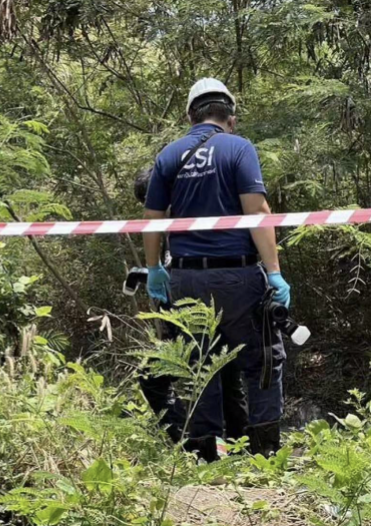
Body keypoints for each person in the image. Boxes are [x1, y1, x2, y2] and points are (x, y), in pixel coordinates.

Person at [142, 78, 291, 460]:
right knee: (261, 359)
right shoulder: (239, 149)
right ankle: (264, 453)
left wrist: (155, 268)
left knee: (200, 362)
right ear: (231, 117)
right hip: (237, 276)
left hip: (186, 278)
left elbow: (152, 218)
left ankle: (206, 456)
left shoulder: (168, 155)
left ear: (191, 115)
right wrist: (273, 272)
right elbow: (257, 212)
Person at [134, 168, 249, 461]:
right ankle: (233, 450)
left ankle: (200, 447)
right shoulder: (182, 225)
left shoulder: (189, 225)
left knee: (155, 378)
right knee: (225, 381)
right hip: (211, 317)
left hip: (200, 322)